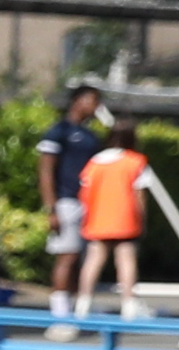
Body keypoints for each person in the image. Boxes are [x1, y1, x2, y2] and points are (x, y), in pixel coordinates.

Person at [38, 82, 116, 310]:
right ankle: (59, 313)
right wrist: (51, 208)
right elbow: (46, 170)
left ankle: (74, 307)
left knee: (83, 259)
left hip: (89, 204)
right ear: (78, 101)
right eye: (93, 100)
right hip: (67, 202)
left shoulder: (91, 137)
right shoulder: (58, 132)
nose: (96, 106)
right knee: (67, 256)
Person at [75, 123, 156, 320]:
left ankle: (82, 305)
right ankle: (129, 305)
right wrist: (142, 219)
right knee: (126, 260)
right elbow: (139, 195)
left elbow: (84, 192)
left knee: (93, 260)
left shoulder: (94, 162)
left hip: (97, 218)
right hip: (125, 218)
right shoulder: (135, 161)